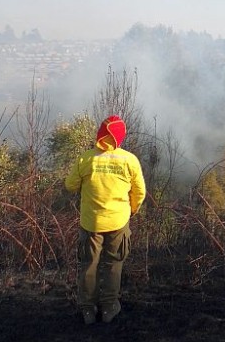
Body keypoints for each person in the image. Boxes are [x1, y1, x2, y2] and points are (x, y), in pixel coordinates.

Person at [65, 114, 146, 325]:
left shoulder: (86, 158)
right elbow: (140, 192)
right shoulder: (129, 160)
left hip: (90, 223)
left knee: (88, 265)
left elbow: (70, 185)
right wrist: (132, 210)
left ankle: (87, 310)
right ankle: (110, 308)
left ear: (100, 133)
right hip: (118, 221)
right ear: (120, 137)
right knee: (113, 264)